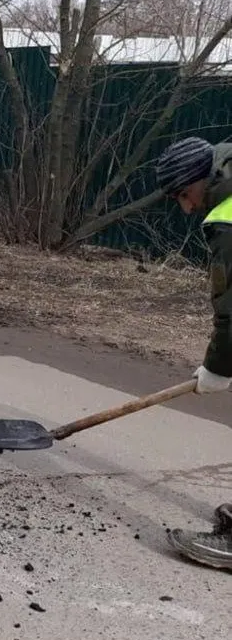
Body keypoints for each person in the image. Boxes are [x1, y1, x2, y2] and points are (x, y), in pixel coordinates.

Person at [155, 136, 232, 570]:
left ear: (197, 182)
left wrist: (218, 368)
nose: (187, 208)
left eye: (184, 196)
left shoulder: (228, 217)